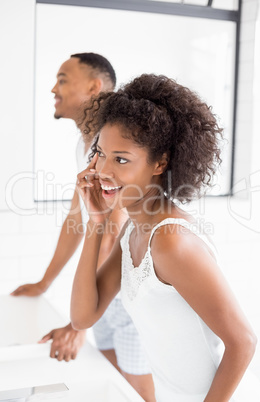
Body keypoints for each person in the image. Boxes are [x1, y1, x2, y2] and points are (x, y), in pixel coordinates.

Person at [71, 74, 260, 401]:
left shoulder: (170, 241)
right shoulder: (134, 230)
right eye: (100, 153)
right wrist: (96, 221)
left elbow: (243, 342)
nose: (103, 170)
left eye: (121, 159)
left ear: (160, 163)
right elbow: (82, 316)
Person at [11, 54, 155, 401]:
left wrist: (80, 322)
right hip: (107, 292)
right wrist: (46, 282)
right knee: (113, 387)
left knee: (137, 392)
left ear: (94, 86)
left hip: (129, 287)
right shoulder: (88, 147)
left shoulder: (119, 147)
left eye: (62, 79)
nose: (53, 88)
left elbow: (115, 231)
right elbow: (79, 219)